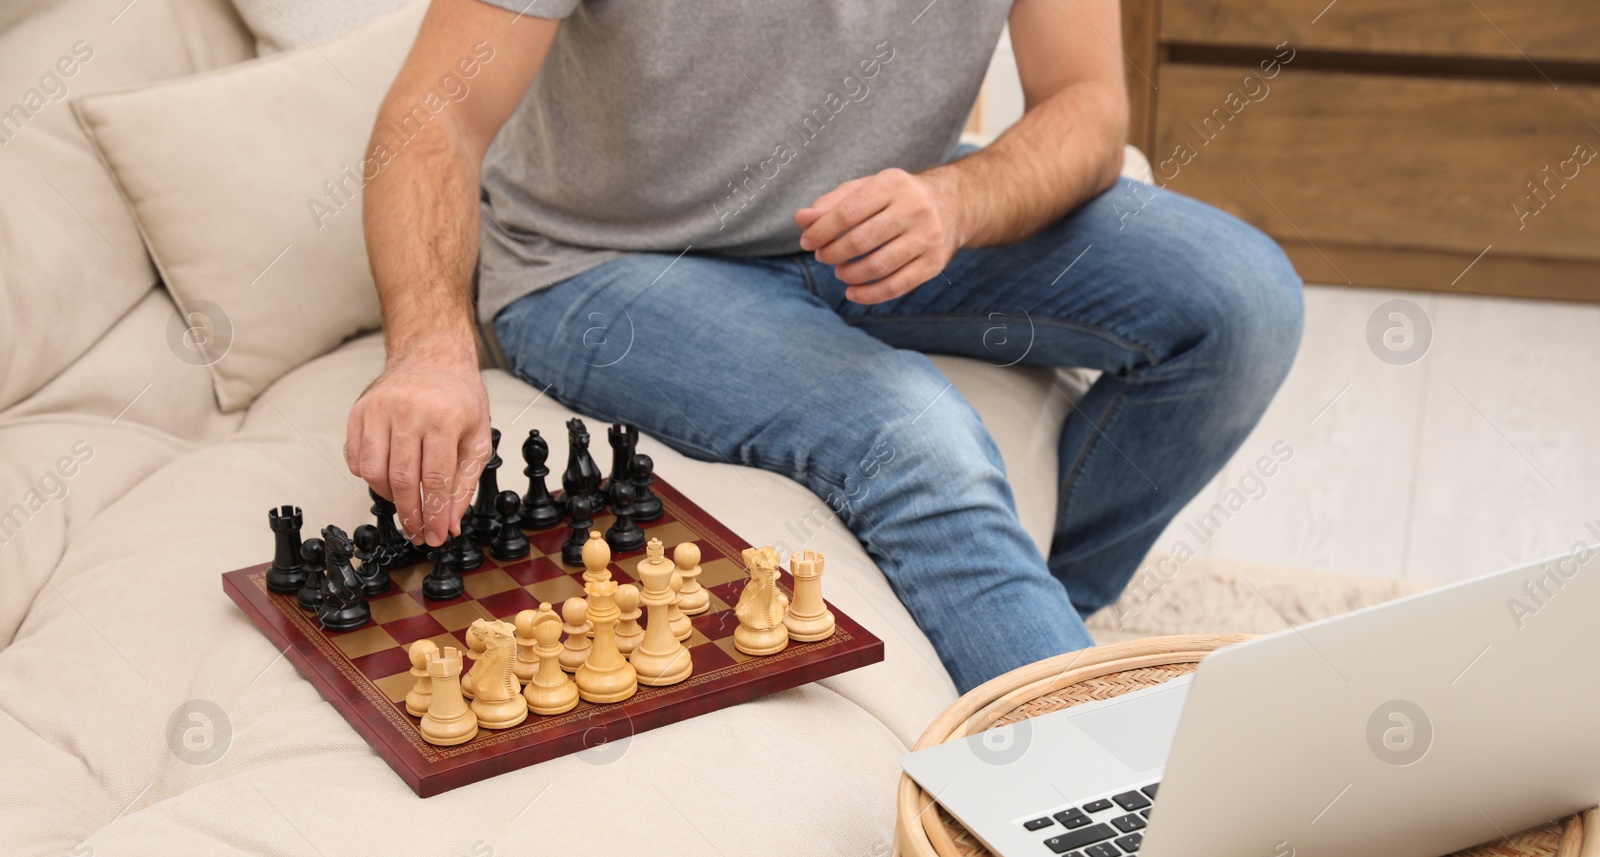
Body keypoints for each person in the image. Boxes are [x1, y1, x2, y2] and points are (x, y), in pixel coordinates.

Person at [344, 0, 1304, 693]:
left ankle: (1033, 625)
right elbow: (435, 116)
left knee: (1244, 302)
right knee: (917, 432)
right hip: (600, 264)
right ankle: (1101, 802)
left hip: (865, 224)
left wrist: (957, 202)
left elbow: (1089, 105)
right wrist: (429, 347)